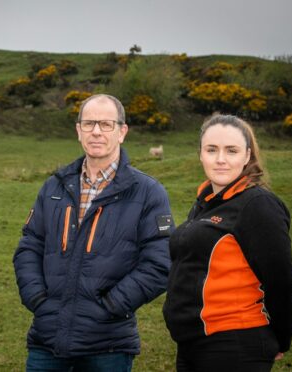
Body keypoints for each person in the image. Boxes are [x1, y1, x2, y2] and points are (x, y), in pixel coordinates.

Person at [13, 94, 173, 371]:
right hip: (47, 340)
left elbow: (160, 263)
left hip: (108, 345)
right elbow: (30, 245)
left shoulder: (149, 192)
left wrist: (111, 306)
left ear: (122, 132)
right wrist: (38, 299)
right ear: (78, 131)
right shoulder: (54, 187)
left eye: (106, 124)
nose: (96, 131)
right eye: (88, 124)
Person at [162, 114, 292, 371]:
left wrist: (280, 339)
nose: (221, 159)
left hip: (234, 345)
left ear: (247, 156)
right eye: (212, 150)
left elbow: (282, 280)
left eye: (231, 150)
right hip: (193, 344)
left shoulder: (256, 204)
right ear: (200, 154)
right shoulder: (207, 201)